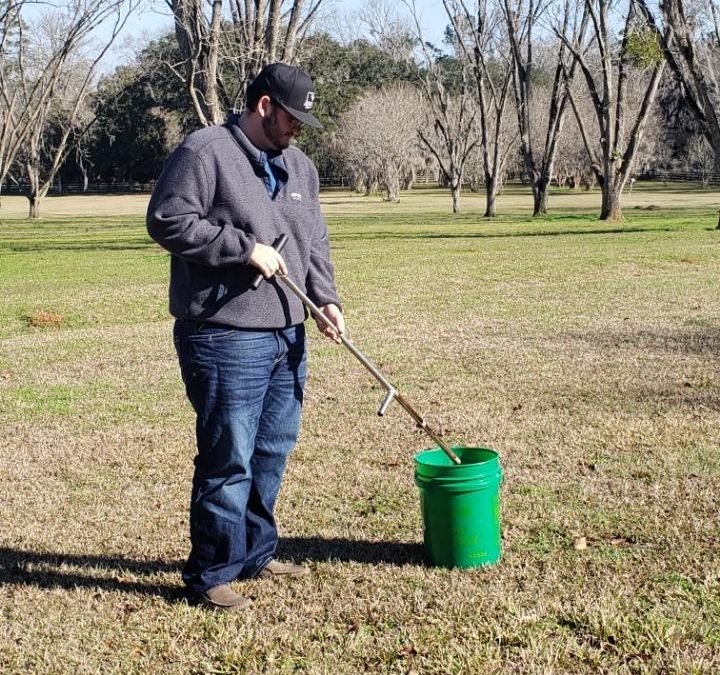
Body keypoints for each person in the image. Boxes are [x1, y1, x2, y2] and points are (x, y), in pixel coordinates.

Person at [146, 63, 344, 611]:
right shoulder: (204, 151)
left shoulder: (301, 168)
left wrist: (326, 299)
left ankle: (256, 551)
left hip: (289, 332)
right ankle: (211, 573)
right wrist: (242, 248)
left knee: (272, 450)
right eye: (291, 117)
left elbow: (315, 241)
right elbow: (167, 219)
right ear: (263, 106)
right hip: (224, 335)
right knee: (228, 457)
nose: (298, 129)